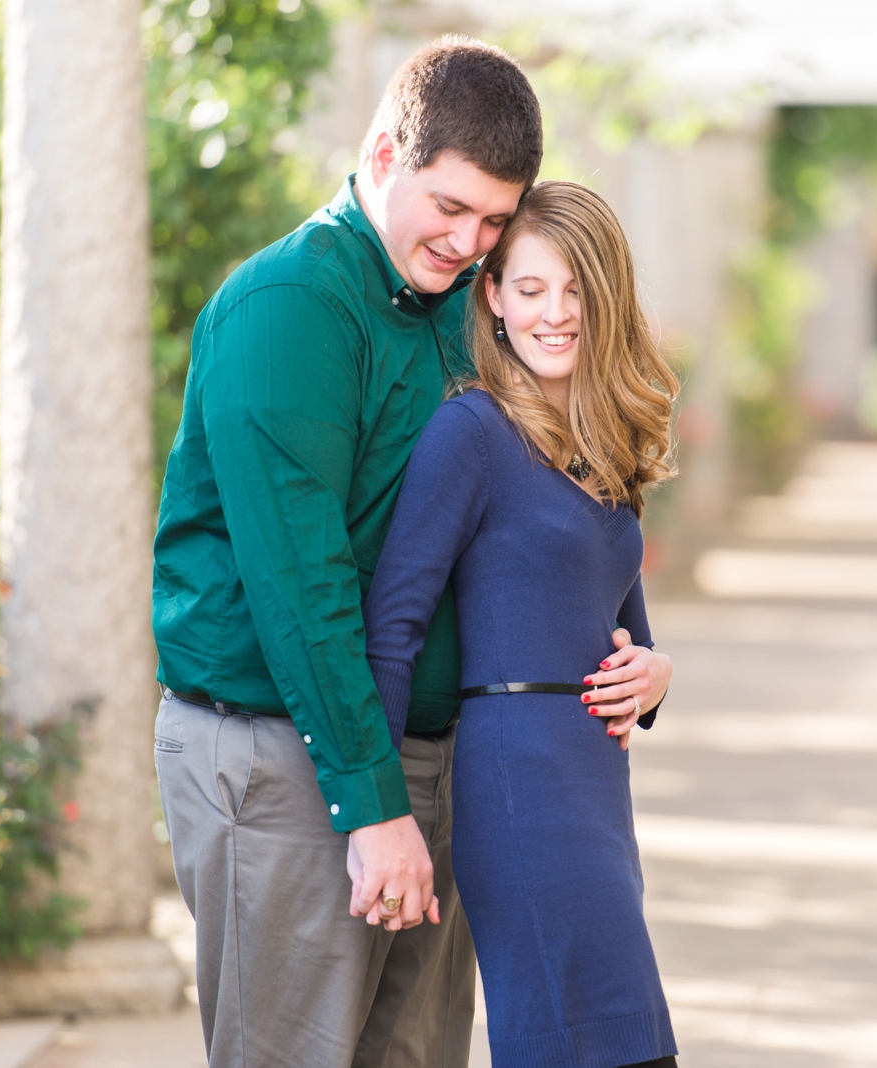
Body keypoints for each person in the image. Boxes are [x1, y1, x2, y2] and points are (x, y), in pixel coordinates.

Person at [151, 36, 541, 1067]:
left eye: (495, 220)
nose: (469, 242)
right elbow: (300, 586)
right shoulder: (288, 309)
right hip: (286, 756)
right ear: (380, 153)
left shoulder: (467, 307)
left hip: (423, 760)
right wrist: (369, 806)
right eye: (449, 208)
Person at [362, 180, 680, 1068]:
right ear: (493, 298)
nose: (556, 314)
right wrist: (375, 816)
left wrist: (656, 675)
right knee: (580, 1043)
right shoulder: (471, 433)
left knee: (627, 1041)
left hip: (596, 787)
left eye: (577, 290)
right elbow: (394, 626)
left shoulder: (607, 445)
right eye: (532, 289)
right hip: (516, 783)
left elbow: (626, 628)